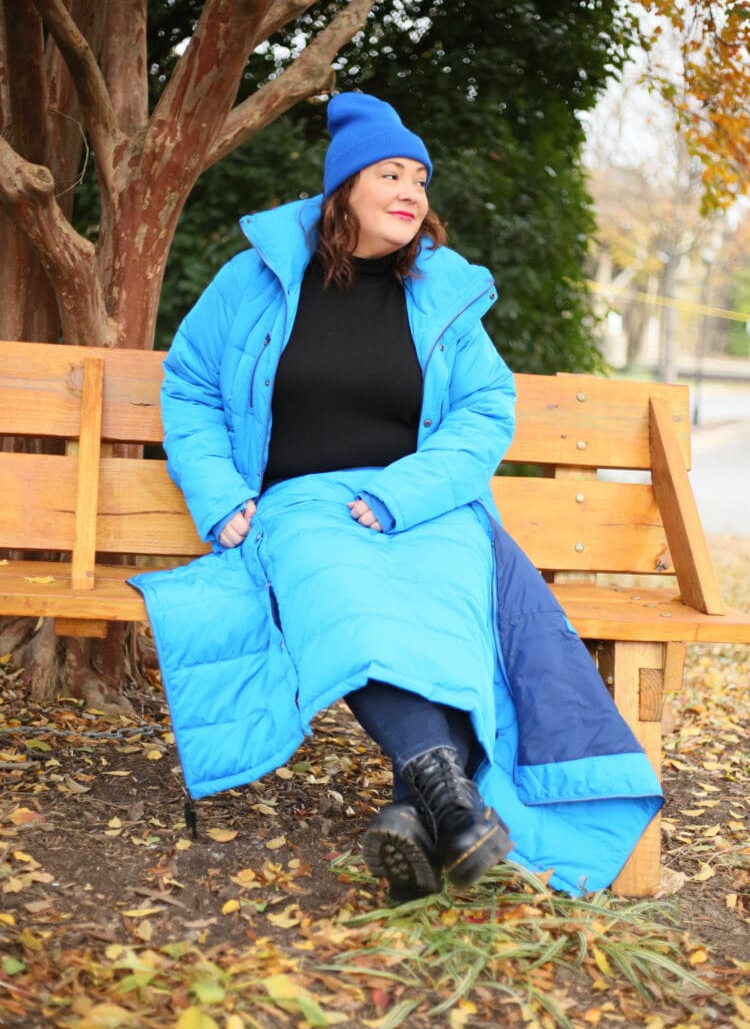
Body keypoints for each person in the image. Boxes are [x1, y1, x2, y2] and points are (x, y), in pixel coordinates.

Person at [131, 93, 662, 902]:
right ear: (343, 189)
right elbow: (192, 384)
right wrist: (220, 492)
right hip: (304, 507)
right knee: (346, 595)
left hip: (423, 505)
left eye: (421, 176)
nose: (413, 189)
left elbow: (486, 410)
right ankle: (452, 798)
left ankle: (421, 807)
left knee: (453, 602)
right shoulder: (259, 281)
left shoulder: (441, 291)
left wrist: (402, 496)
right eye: (391, 172)